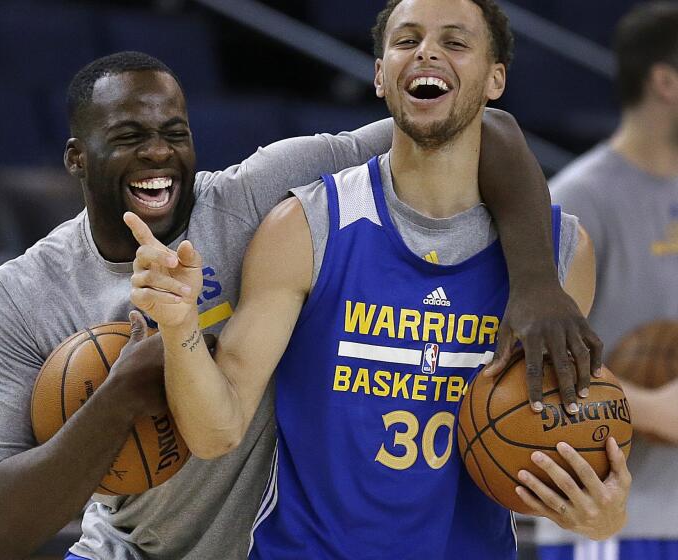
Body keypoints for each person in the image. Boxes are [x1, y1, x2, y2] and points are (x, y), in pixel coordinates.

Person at [0, 47, 598, 560]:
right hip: (129, 546)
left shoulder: (257, 197)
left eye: (173, 133)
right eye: (128, 135)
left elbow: (486, 127)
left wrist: (537, 283)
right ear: (76, 157)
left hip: (273, 543)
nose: (157, 152)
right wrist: (123, 390)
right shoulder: (22, 296)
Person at [127, 0, 630, 558]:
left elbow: (568, 431)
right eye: (406, 40)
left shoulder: (563, 254)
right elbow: (214, 432)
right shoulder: (306, 227)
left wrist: (600, 511)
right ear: (379, 73)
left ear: (496, 80)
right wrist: (179, 328)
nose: (427, 51)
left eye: (455, 42)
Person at [535, 3, 678, 559]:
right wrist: (649, 407)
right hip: (611, 522)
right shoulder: (577, 200)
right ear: (665, 81)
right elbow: (534, 362)